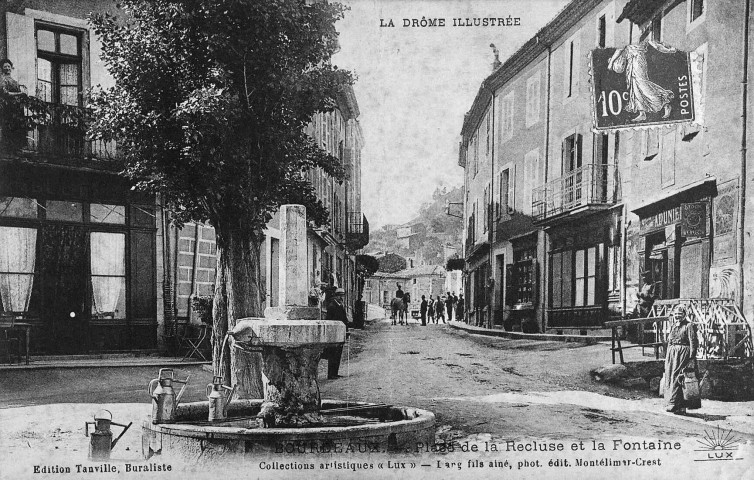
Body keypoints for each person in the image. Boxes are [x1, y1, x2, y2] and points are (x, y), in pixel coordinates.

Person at [608, 37, 677, 122]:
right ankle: (642, 113)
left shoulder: (646, 34)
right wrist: (611, 63)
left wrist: (670, 50)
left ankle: (664, 104)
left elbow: (657, 46)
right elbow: (620, 49)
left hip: (638, 60)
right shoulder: (627, 34)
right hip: (631, 61)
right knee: (635, 87)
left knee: (643, 85)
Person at [663, 305, 698, 415]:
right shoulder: (673, 325)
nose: (677, 316)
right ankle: (676, 406)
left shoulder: (689, 326)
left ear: (684, 315)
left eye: (680, 314)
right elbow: (669, 340)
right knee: (671, 377)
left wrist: (691, 358)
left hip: (683, 354)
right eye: (675, 314)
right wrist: (667, 354)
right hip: (672, 354)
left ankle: (677, 405)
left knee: (679, 378)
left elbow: (693, 342)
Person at [324, 288, 350, 379]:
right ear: (336, 296)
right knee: (333, 353)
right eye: (340, 296)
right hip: (334, 332)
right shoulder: (332, 306)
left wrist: (346, 329)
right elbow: (329, 320)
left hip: (340, 331)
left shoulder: (339, 305)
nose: (341, 297)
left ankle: (335, 373)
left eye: (342, 296)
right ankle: (331, 374)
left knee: (338, 353)